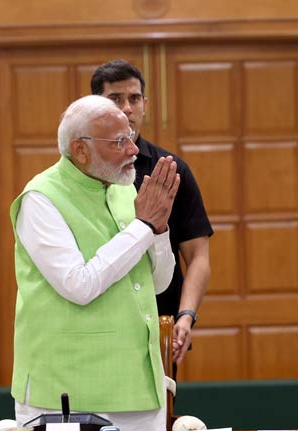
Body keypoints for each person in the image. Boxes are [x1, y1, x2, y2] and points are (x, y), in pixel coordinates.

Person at [11, 95, 180, 431]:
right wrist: (143, 227)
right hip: (66, 391)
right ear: (81, 149)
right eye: (119, 142)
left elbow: (158, 284)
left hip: (140, 387)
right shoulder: (41, 198)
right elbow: (79, 285)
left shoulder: (125, 189)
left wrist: (159, 230)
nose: (134, 150)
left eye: (130, 136)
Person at [91, 60, 213, 369]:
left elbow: (197, 254)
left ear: (145, 104)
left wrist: (186, 316)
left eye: (134, 98)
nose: (127, 108)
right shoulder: (85, 173)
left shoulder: (170, 169)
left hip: (158, 327)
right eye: (115, 99)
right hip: (96, 326)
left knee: (162, 417)